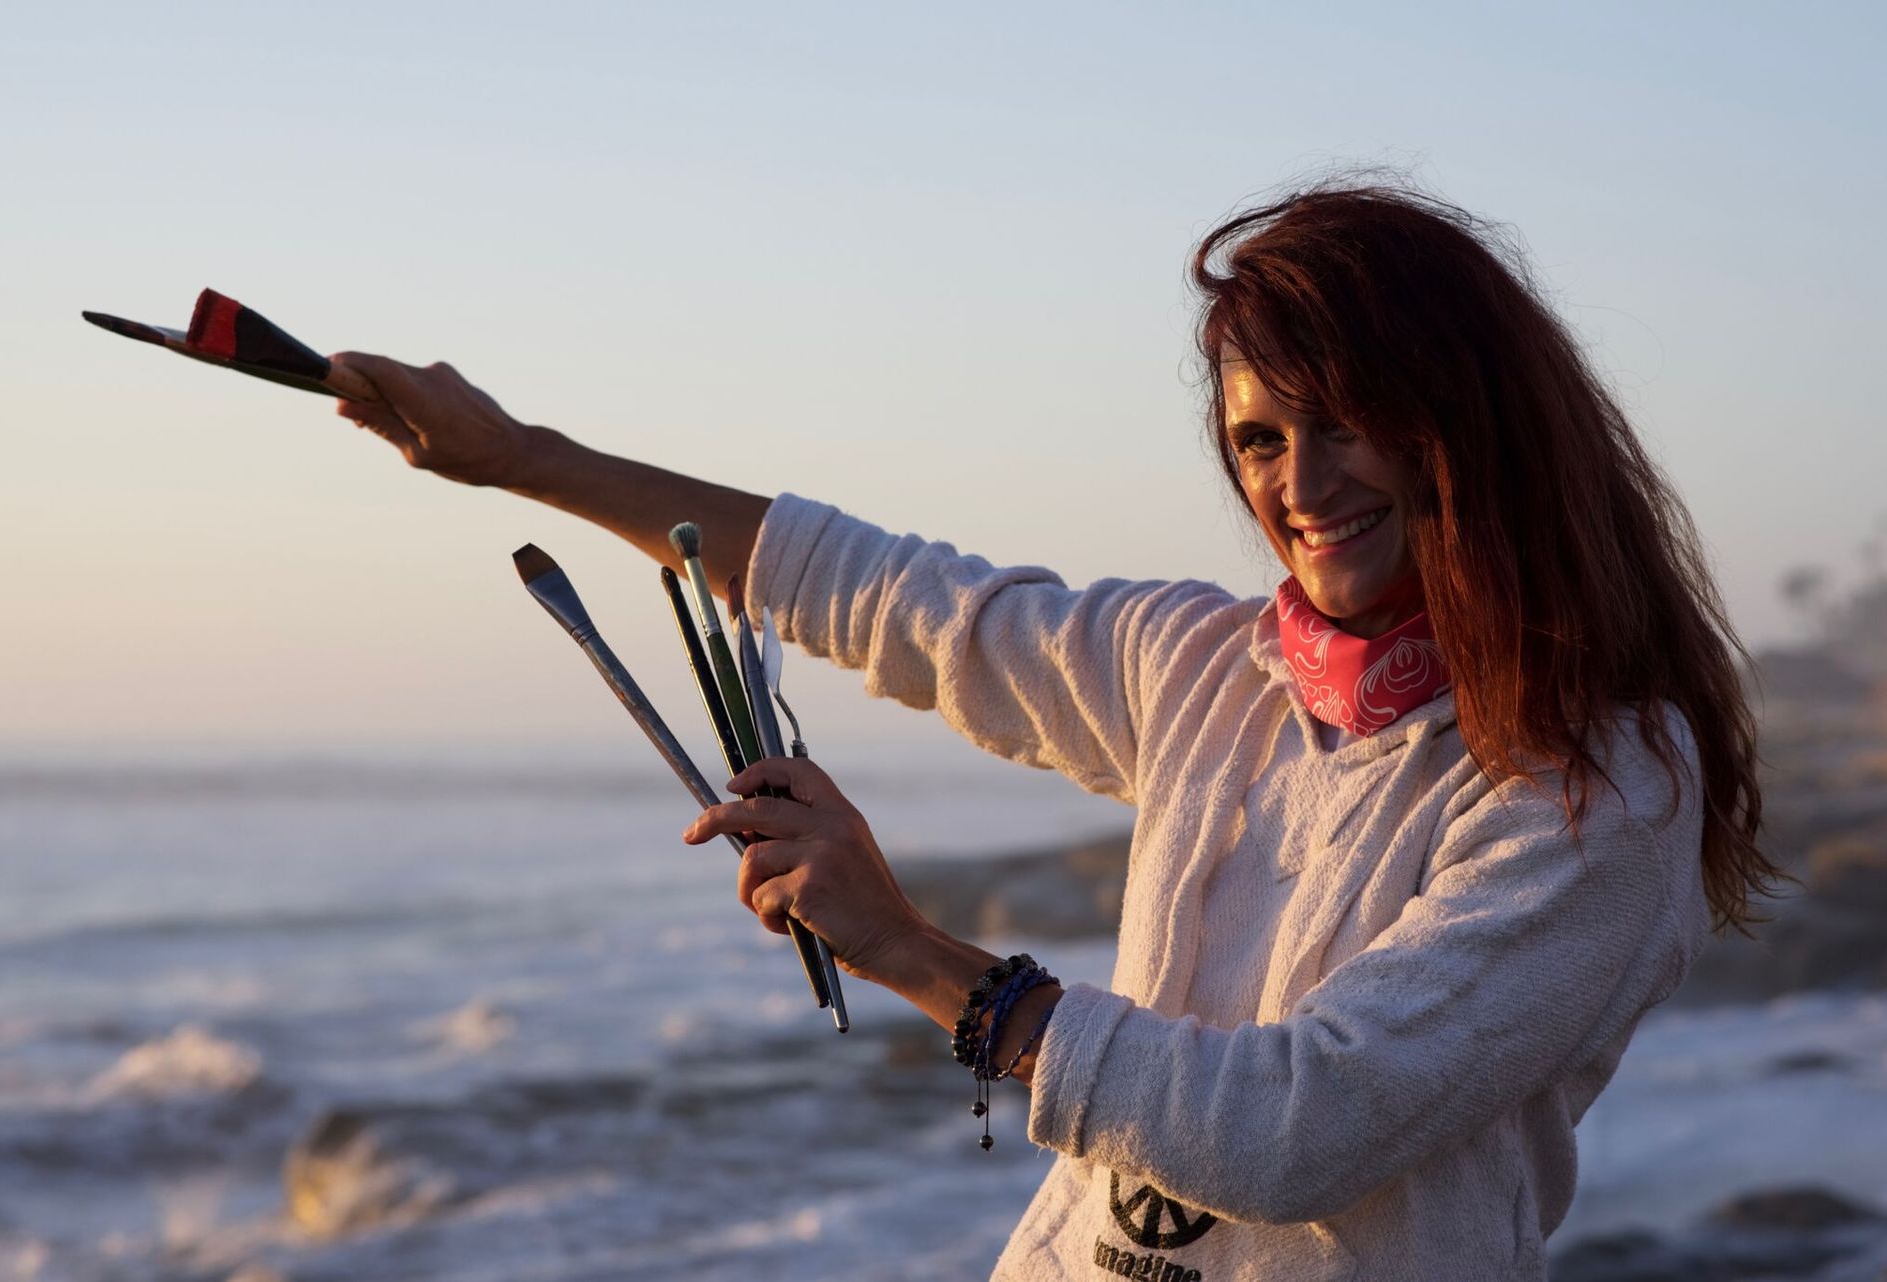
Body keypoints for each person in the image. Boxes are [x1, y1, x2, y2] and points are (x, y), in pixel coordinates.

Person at [326, 183, 1782, 1280]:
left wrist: (913, 950)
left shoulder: (1602, 781)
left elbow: (1304, 1125)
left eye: (1343, 422)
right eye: (1260, 440)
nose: (1301, 480)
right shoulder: (1215, 666)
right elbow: (895, 596)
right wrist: (520, 459)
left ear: (1463, 419)